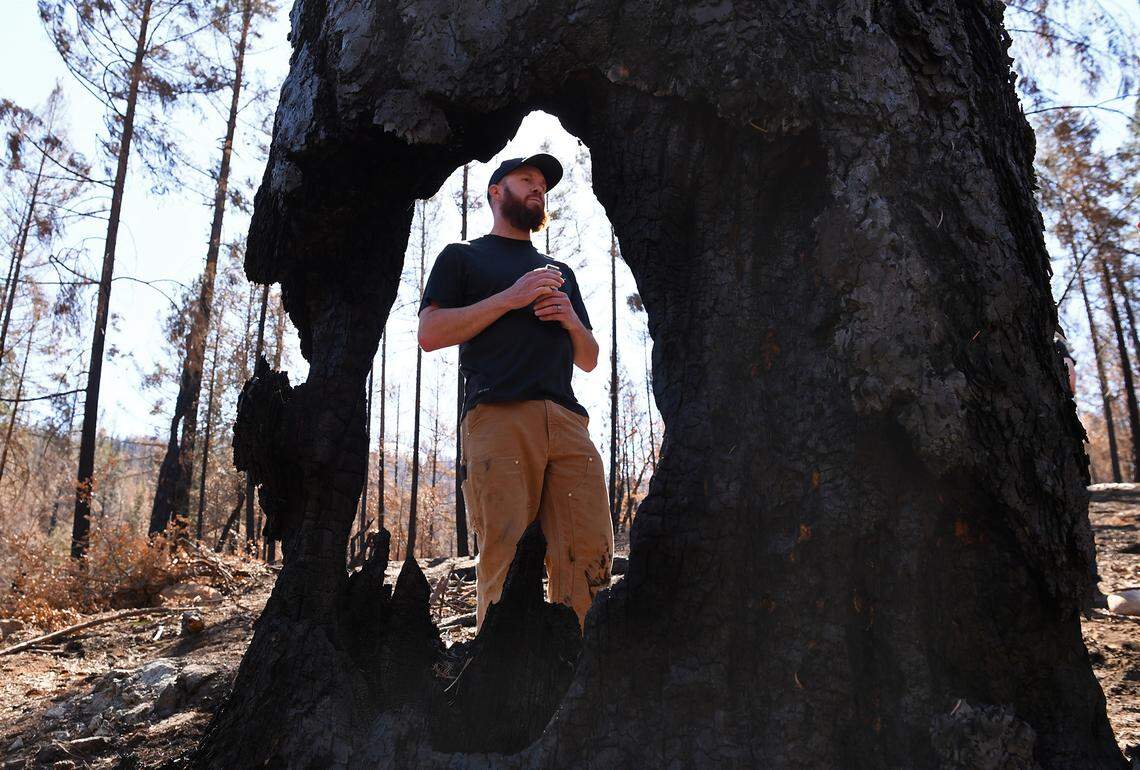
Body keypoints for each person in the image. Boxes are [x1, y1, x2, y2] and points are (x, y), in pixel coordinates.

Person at [417, 153, 613, 632]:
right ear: (495, 192)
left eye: (543, 186)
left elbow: (588, 358)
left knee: (588, 550)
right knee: (504, 550)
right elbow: (429, 333)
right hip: (499, 417)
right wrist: (511, 297)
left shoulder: (558, 269)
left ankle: (574, 678)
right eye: (526, 180)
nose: (537, 189)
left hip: (568, 423)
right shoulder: (462, 257)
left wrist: (569, 319)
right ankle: (495, 689)